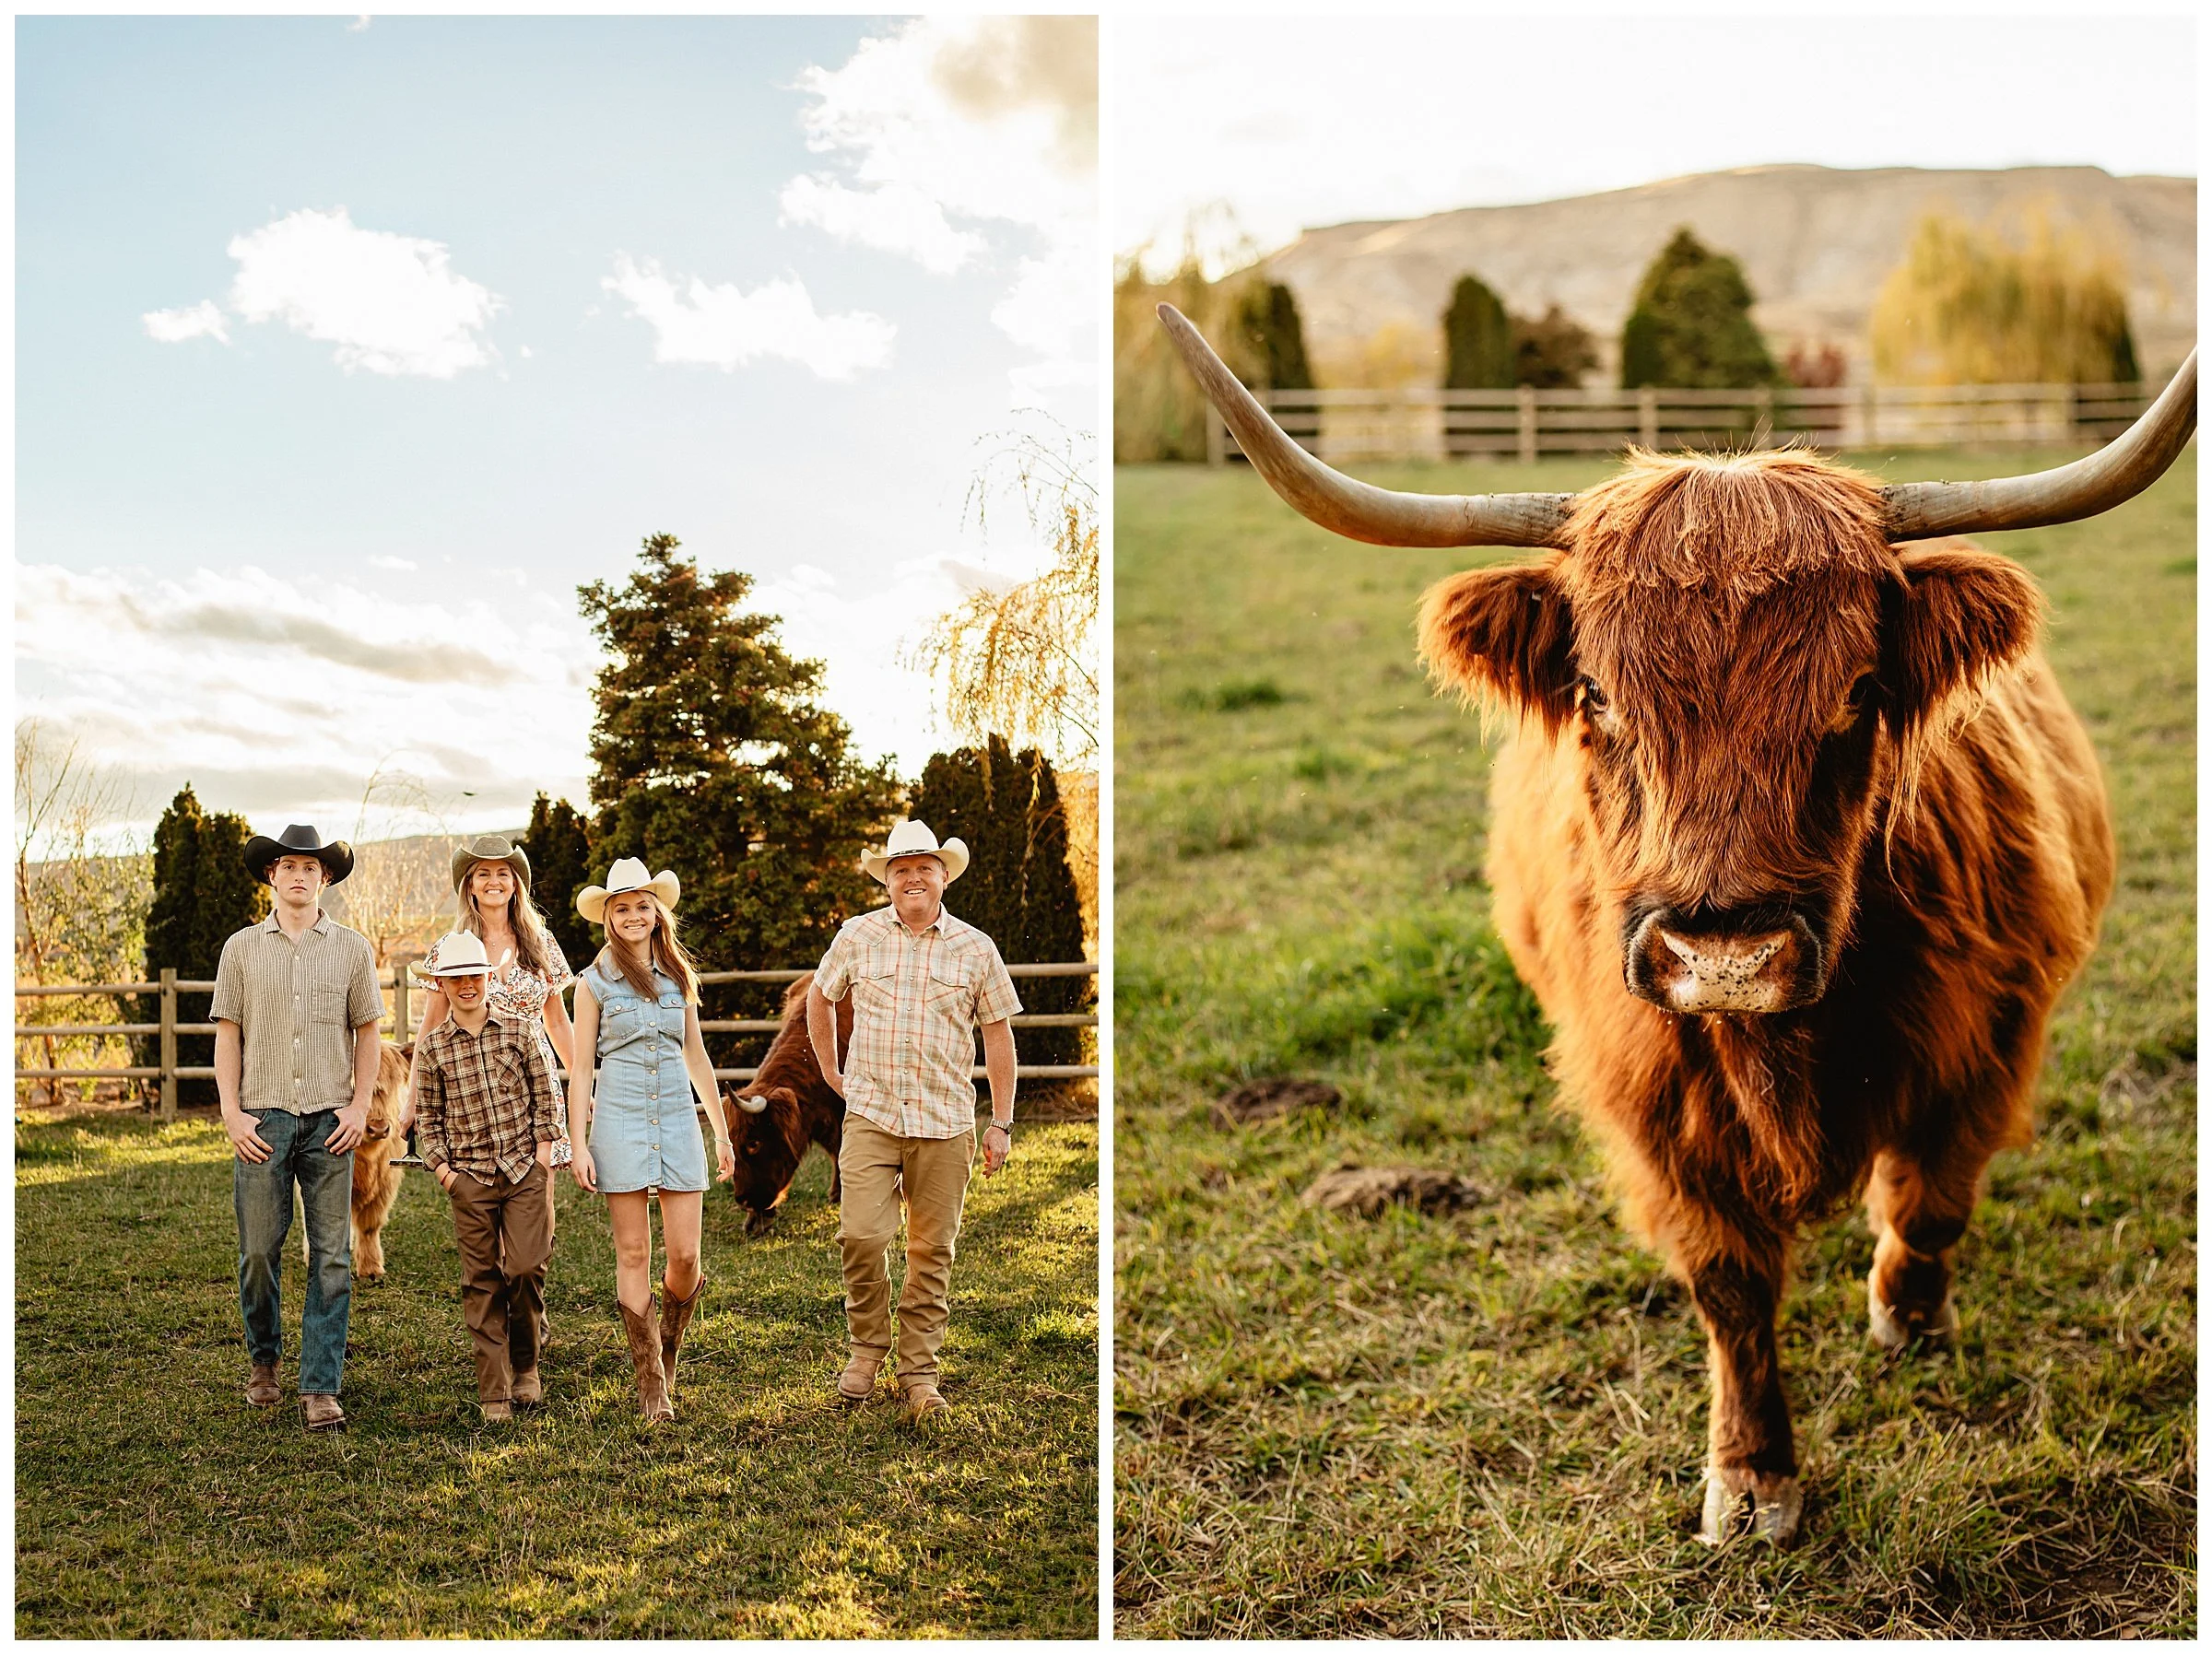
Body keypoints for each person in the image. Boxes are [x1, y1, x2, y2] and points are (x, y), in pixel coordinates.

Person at [808, 818, 1021, 1423]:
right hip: (872, 1113)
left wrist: (1001, 1121)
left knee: (931, 1251)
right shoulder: (857, 936)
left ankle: (919, 1372)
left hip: (945, 1120)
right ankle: (866, 1349)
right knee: (862, 1236)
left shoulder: (976, 948)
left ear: (944, 877)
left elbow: (998, 1034)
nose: (912, 879)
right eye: (900, 870)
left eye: (924, 868)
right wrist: (831, 1073)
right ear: (887, 881)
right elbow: (821, 997)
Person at [210, 823, 384, 1431]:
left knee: (333, 1256)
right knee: (259, 1250)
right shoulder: (241, 949)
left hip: (330, 1122)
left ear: (326, 878)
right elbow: (227, 1033)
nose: (300, 875)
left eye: (312, 867)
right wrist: (232, 1112)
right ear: (272, 876)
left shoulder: (353, 949)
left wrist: (360, 1106)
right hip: (262, 1118)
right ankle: (264, 1360)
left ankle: (320, 1385)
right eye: (289, 866)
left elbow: (368, 1033)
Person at [565, 858, 735, 1422]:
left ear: (657, 912)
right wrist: (579, 1141)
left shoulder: (678, 978)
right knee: (634, 1251)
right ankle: (651, 1387)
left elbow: (697, 1056)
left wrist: (720, 1129)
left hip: (678, 1123)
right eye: (622, 908)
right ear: (608, 919)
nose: (634, 915)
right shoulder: (591, 985)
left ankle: (665, 1348)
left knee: (685, 1255)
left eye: (642, 905)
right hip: (618, 1120)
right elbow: (582, 1069)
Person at [410, 931, 563, 1424]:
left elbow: (545, 1096)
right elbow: (429, 1117)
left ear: (488, 979)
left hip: (523, 1171)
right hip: (469, 1179)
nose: (467, 985)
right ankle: (494, 1390)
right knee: (481, 1280)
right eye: (456, 979)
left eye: (475, 976)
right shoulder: (433, 1048)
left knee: (523, 1267)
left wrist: (542, 1158)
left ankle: (526, 1364)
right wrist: (444, 1171)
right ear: (441, 983)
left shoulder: (519, 1032)